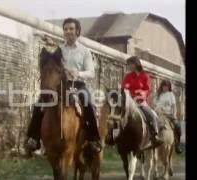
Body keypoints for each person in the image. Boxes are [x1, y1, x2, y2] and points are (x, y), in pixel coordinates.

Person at [25, 18, 102, 155]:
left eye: (71, 29)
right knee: (40, 104)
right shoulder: (59, 50)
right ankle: (34, 138)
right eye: (66, 29)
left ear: (77, 31)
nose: (68, 31)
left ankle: (93, 139)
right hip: (61, 86)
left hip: (78, 85)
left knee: (88, 103)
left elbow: (91, 73)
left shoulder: (85, 51)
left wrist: (78, 73)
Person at [120, 56, 163, 147]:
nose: (129, 66)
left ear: (136, 64)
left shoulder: (145, 76)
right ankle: (113, 136)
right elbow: (123, 88)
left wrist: (143, 93)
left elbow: (148, 90)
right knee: (116, 114)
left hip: (140, 102)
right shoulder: (127, 76)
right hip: (128, 102)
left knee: (151, 115)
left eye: (130, 64)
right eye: (128, 65)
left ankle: (155, 136)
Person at [153, 80, 183, 154]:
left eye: (167, 86)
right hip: (158, 114)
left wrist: (174, 114)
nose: (165, 88)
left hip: (169, 114)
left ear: (169, 87)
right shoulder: (158, 95)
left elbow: (174, 106)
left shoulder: (171, 94)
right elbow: (154, 105)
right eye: (164, 86)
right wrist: (156, 110)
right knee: (150, 123)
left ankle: (177, 144)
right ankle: (150, 141)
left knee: (178, 126)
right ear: (162, 86)